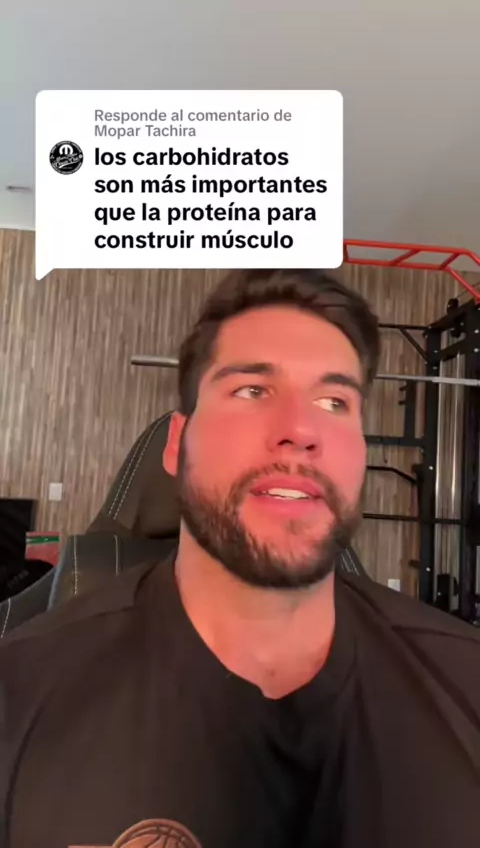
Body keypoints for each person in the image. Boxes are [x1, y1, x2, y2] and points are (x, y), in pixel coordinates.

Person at [1, 269, 479, 848]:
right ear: (177, 444)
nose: (301, 429)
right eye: (252, 390)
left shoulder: (467, 682)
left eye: (334, 401)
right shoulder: (19, 693)